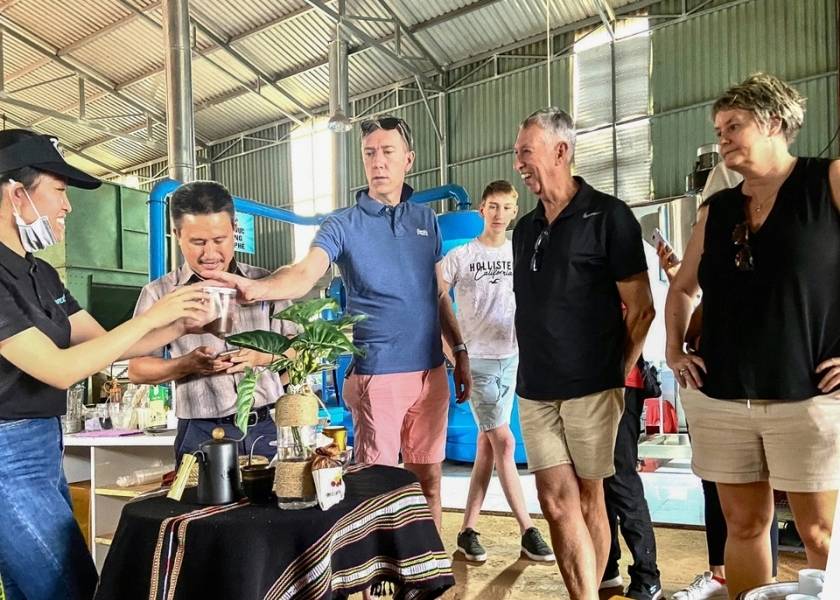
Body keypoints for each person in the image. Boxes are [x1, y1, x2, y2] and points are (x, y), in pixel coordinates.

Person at [204, 116, 472, 529]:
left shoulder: (427, 221)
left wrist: (458, 350)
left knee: (430, 483)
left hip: (432, 373)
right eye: (369, 153)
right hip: (379, 373)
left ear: (409, 160)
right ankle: (375, 582)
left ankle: (426, 574)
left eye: (387, 152)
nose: (378, 162)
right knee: (377, 488)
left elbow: (437, 295)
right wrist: (257, 289)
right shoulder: (343, 224)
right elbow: (305, 273)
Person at [0, 130, 210, 600]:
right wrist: (152, 315)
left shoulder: (40, 272)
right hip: (5, 453)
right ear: (17, 193)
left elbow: (104, 344)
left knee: (25, 587)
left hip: (40, 442)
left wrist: (178, 326)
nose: (67, 207)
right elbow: (59, 369)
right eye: (59, 190)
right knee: (68, 587)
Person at [665, 73, 840, 599]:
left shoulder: (826, 181)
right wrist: (675, 351)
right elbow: (681, 290)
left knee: (819, 533)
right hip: (722, 396)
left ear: (775, 122)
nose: (722, 137)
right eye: (719, 129)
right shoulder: (715, 210)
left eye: (734, 125)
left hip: (807, 394)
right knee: (743, 527)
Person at [512, 108, 656, 600]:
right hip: (535, 388)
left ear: (561, 150)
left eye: (526, 152)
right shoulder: (524, 228)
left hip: (593, 387)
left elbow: (642, 309)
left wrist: (615, 373)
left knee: (592, 497)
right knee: (554, 502)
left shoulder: (609, 216)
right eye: (517, 155)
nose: (519, 165)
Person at [129, 181, 295, 463]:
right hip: (200, 433)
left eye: (219, 240)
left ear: (234, 230)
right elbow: (137, 369)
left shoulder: (265, 284)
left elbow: (299, 350)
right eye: (197, 242)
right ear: (176, 234)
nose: (210, 254)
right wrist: (186, 365)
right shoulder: (158, 294)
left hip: (267, 428)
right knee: (202, 508)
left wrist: (260, 357)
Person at [440, 180, 554, 563]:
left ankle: (467, 529)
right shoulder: (461, 255)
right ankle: (528, 529)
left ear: (514, 210)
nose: (499, 214)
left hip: (513, 359)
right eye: (493, 206)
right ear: (481, 211)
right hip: (478, 362)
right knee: (505, 443)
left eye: (506, 207)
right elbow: (434, 296)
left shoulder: (519, 252)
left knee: (486, 449)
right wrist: (454, 354)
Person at [601, 354, 663, 597]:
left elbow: (642, 317)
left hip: (619, 385)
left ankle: (647, 577)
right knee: (597, 482)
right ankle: (606, 567)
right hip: (589, 384)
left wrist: (620, 373)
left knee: (620, 480)